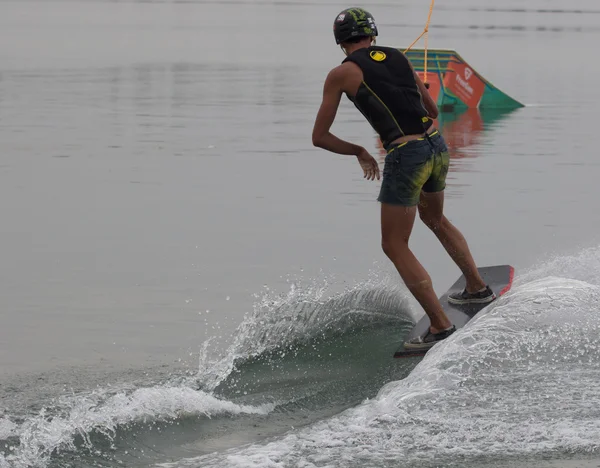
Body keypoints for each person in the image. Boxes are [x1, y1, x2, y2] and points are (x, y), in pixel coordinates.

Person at [311, 7, 496, 350]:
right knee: (435, 218)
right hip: (437, 146)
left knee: (394, 244)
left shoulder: (341, 74)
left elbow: (319, 137)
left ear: (340, 42)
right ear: (373, 33)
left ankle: (440, 326)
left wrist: (359, 151)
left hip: (407, 156)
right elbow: (433, 113)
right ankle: (476, 287)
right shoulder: (398, 57)